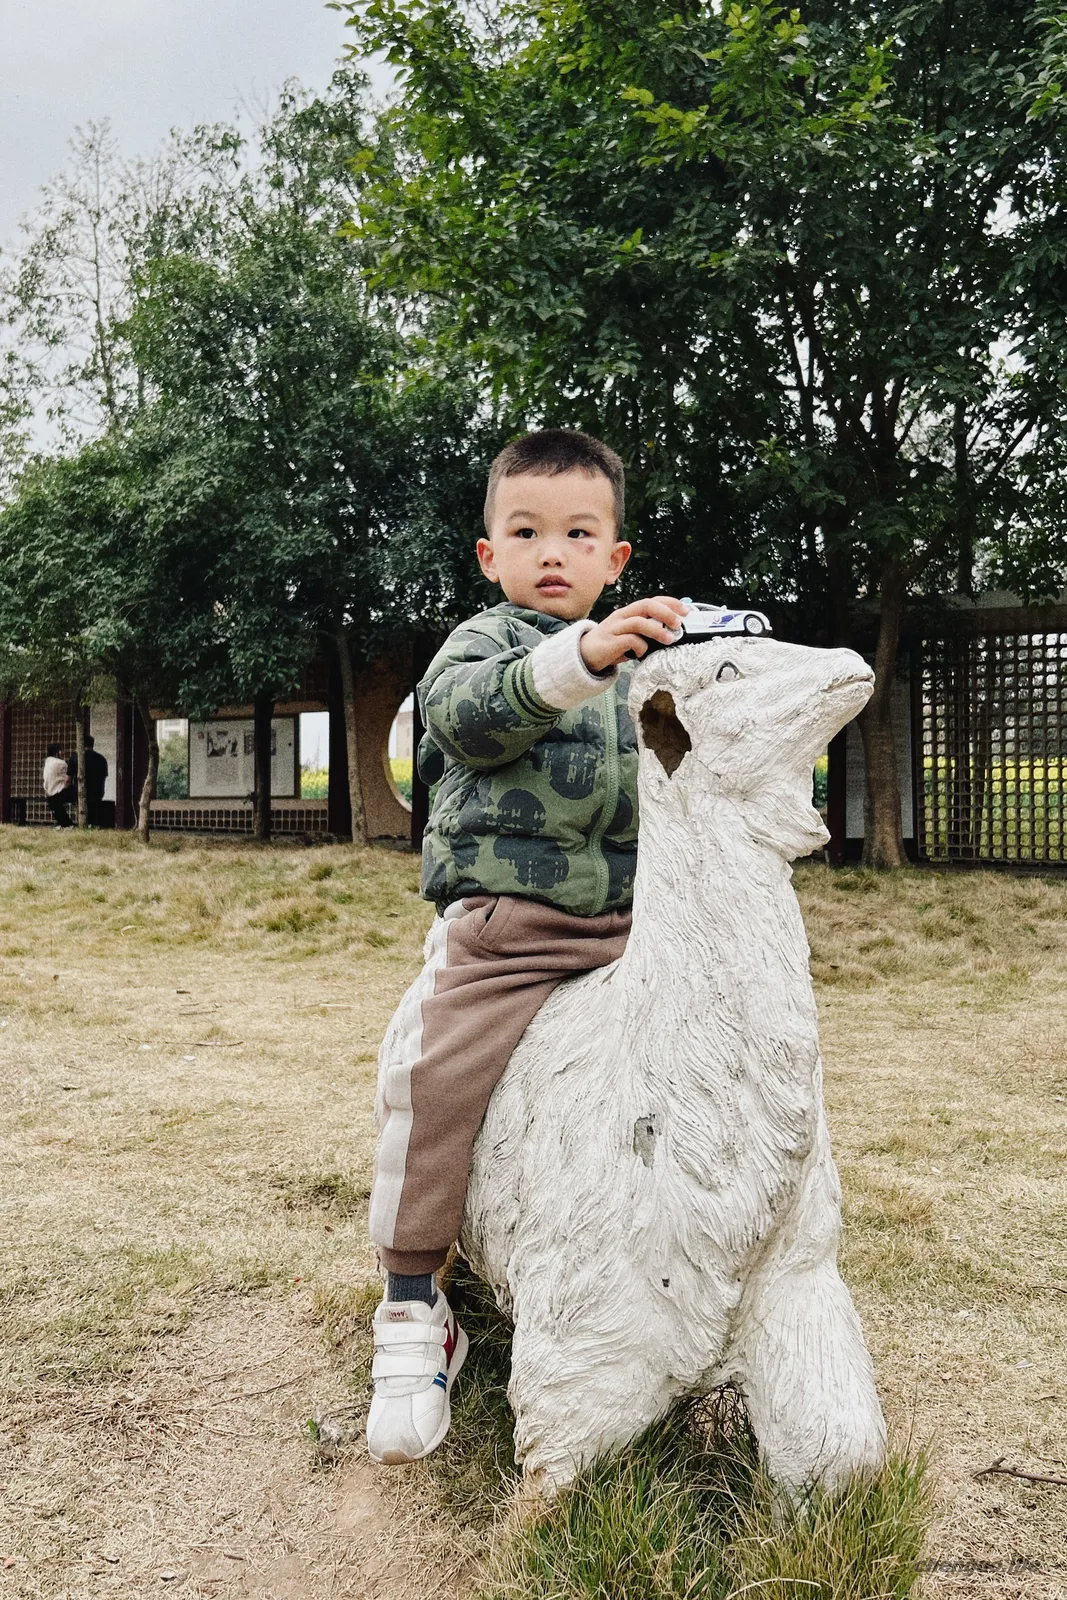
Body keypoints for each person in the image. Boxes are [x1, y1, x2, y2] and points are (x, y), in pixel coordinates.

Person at [366, 429, 688, 1465]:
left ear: (614, 559)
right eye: (526, 531)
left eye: (577, 532)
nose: (551, 551)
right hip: (507, 927)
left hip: (634, 926)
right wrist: (578, 659)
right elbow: (463, 721)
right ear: (488, 554)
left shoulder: (643, 668)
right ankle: (414, 1300)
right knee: (436, 1077)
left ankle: (677, 1268)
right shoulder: (482, 646)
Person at [66, 735, 109, 827]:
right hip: (97, 792)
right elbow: (104, 777)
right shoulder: (101, 759)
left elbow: (68, 778)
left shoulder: (75, 758)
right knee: (94, 815)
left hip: (80, 792)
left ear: (80, 744)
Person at [42, 743, 74, 828]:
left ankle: (64, 823)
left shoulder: (47, 762)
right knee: (56, 801)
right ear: (57, 752)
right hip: (62, 789)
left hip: (52, 791)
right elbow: (68, 778)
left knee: (53, 802)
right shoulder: (61, 763)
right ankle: (67, 823)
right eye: (61, 750)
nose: (63, 752)